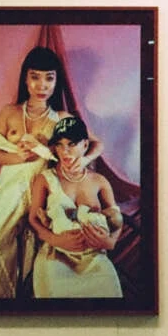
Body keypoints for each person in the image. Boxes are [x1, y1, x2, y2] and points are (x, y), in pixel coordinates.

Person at [0, 46, 73, 298]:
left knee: (36, 252)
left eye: (49, 78)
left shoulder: (62, 118)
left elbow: (93, 145)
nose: (42, 85)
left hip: (42, 188)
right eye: (35, 77)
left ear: (57, 81)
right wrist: (20, 156)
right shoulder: (9, 112)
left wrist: (71, 159)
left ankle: (26, 305)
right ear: (25, 79)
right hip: (11, 187)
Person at [27, 116, 123, 298]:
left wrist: (110, 242)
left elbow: (116, 217)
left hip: (95, 257)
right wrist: (54, 240)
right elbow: (33, 218)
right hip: (56, 255)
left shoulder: (99, 181)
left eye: (71, 144)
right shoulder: (46, 179)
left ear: (85, 145)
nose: (65, 151)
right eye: (60, 145)